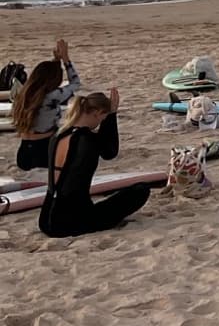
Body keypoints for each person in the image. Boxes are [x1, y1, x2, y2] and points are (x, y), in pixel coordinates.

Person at [39, 89, 153, 237]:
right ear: (97, 113)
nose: (100, 123)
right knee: (141, 190)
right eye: (102, 118)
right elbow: (110, 152)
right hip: (71, 221)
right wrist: (112, 116)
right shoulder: (86, 140)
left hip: (46, 218)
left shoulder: (58, 136)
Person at [12, 41, 82, 171]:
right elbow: (76, 83)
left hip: (24, 151)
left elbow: (45, 74)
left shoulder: (24, 94)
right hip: (44, 149)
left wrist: (56, 60)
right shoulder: (52, 96)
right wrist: (66, 59)